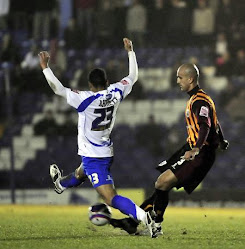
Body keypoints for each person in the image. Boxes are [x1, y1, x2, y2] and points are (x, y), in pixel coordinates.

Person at [38, 38, 157, 238]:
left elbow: (57, 88)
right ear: (107, 82)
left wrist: (45, 68)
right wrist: (130, 52)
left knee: (111, 198)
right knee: (80, 173)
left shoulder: (85, 99)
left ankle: (146, 219)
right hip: (103, 150)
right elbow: (133, 76)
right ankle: (61, 184)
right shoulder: (116, 91)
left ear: (90, 85)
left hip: (95, 157)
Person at [110, 63, 229, 235]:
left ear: (190, 79)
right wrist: (222, 140)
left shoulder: (199, 101)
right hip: (190, 148)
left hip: (199, 152)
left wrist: (196, 149)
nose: (177, 81)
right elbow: (215, 123)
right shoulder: (201, 98)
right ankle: (133, 222)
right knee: (161, 185)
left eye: (180, 77)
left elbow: (205, 125)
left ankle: (154, 226)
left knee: (162, 182)